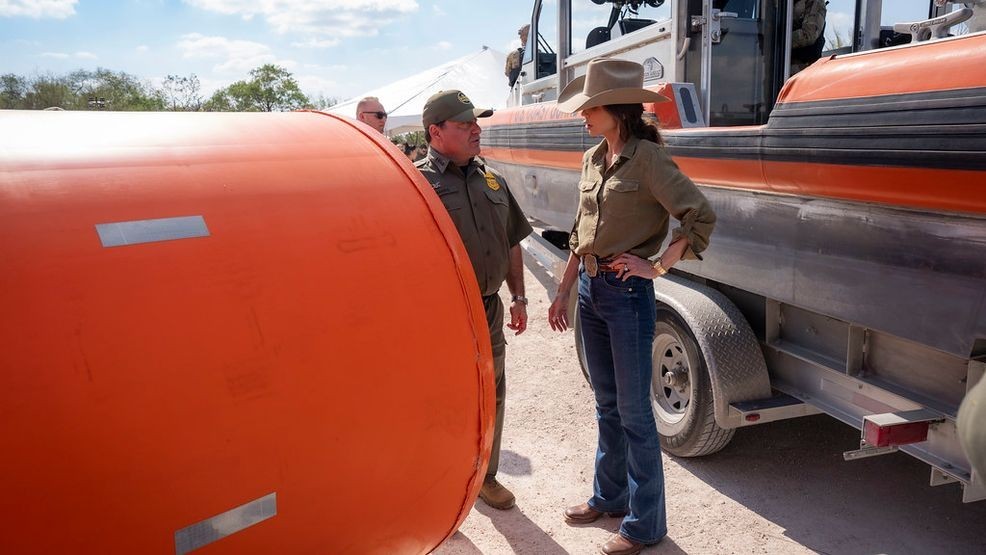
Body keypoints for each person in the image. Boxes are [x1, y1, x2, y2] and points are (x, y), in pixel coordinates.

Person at [547, 59, 715, 555]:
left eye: (590, 107)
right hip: (590, 293)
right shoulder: (593, 159)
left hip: (626, 296)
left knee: (636, 414)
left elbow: (698, 215)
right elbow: (580, 233)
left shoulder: (647, 160)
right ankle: (610, 496)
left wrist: (659, 266)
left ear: (614, 109)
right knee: (606, 404)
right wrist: (562, 291)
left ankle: (645, 526)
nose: (583, 115)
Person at [415, 90, 533, 510]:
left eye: (475, 123)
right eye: (465, 125)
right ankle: (437, 476)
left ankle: (486, 476)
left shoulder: (492, 179)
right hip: (440, 315)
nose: (476, 130)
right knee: (442, 396)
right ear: (436, 131)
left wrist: (517, 296)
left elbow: (513, 240)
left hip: (488, 309)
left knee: (492, 392)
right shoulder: (415, 185)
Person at [791, 0, 827, 73]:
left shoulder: (815, 2)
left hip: (801, 69)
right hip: (779, 63)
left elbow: (808, 35)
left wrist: (779, 39)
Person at [504, 24, 530, 88]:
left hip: (519, 89)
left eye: (522, 35)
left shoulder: (512, 54)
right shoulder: (539, 53)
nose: (521, 37)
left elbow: (507, 73)